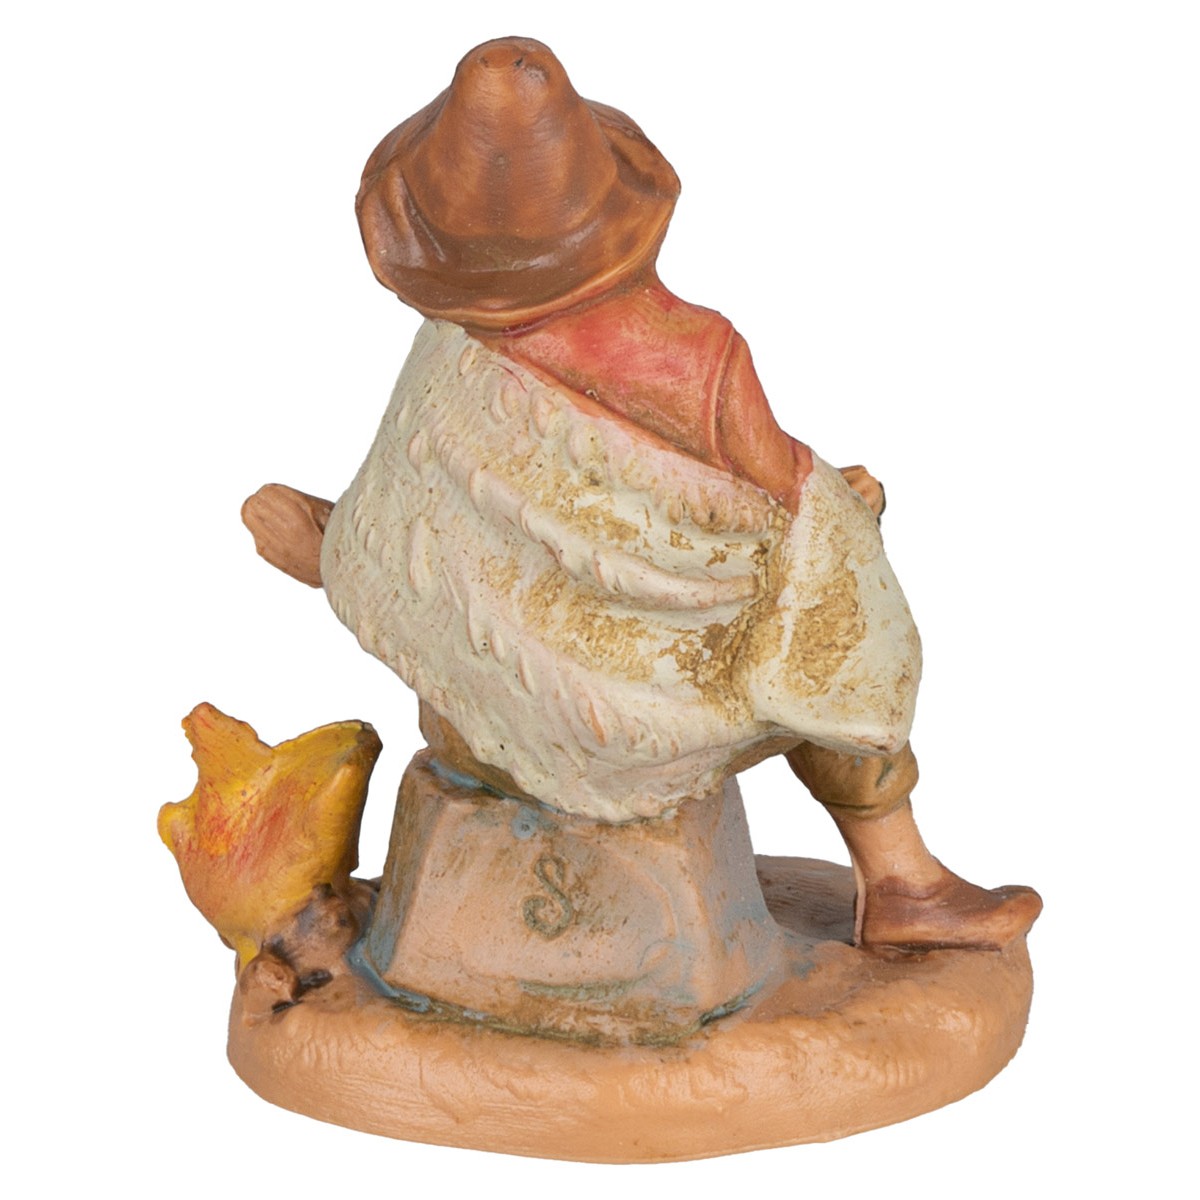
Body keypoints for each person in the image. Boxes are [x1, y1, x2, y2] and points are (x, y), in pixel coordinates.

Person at [248, 37, 1040, 951]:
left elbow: (403, 530)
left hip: (479, 711)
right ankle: (903, 877)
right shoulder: (699, 358)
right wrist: (840, 509)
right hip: (645, 723)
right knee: (830, 619)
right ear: (622, 215)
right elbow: (786, 505)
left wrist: (333, 545)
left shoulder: (446, 355)